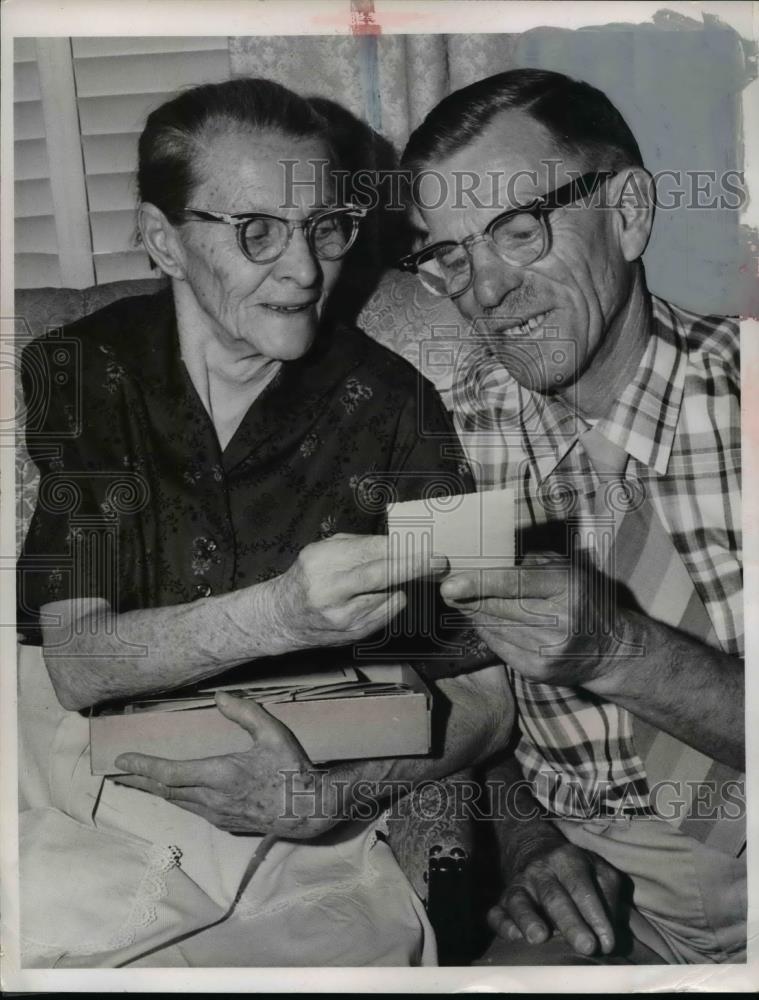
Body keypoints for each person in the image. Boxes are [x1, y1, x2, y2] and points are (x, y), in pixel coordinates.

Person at [15, 77, 512, 968]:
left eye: (324, 226)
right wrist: (277, 614)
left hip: (301, 807)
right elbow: (79, 664)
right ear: (163, 241)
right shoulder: (80, 369)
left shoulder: (404, 403)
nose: (304, 269)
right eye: (256, 231)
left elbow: (490, 694)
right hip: (73, 782)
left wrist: (337, 797)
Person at [398, 69, 745, 964]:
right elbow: (471, 720)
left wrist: (617, 652)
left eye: (518, 230)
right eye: (448, 255)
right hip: (608, 892)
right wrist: (532, 845)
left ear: (627, 213)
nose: (484, 290)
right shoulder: (449, 441)